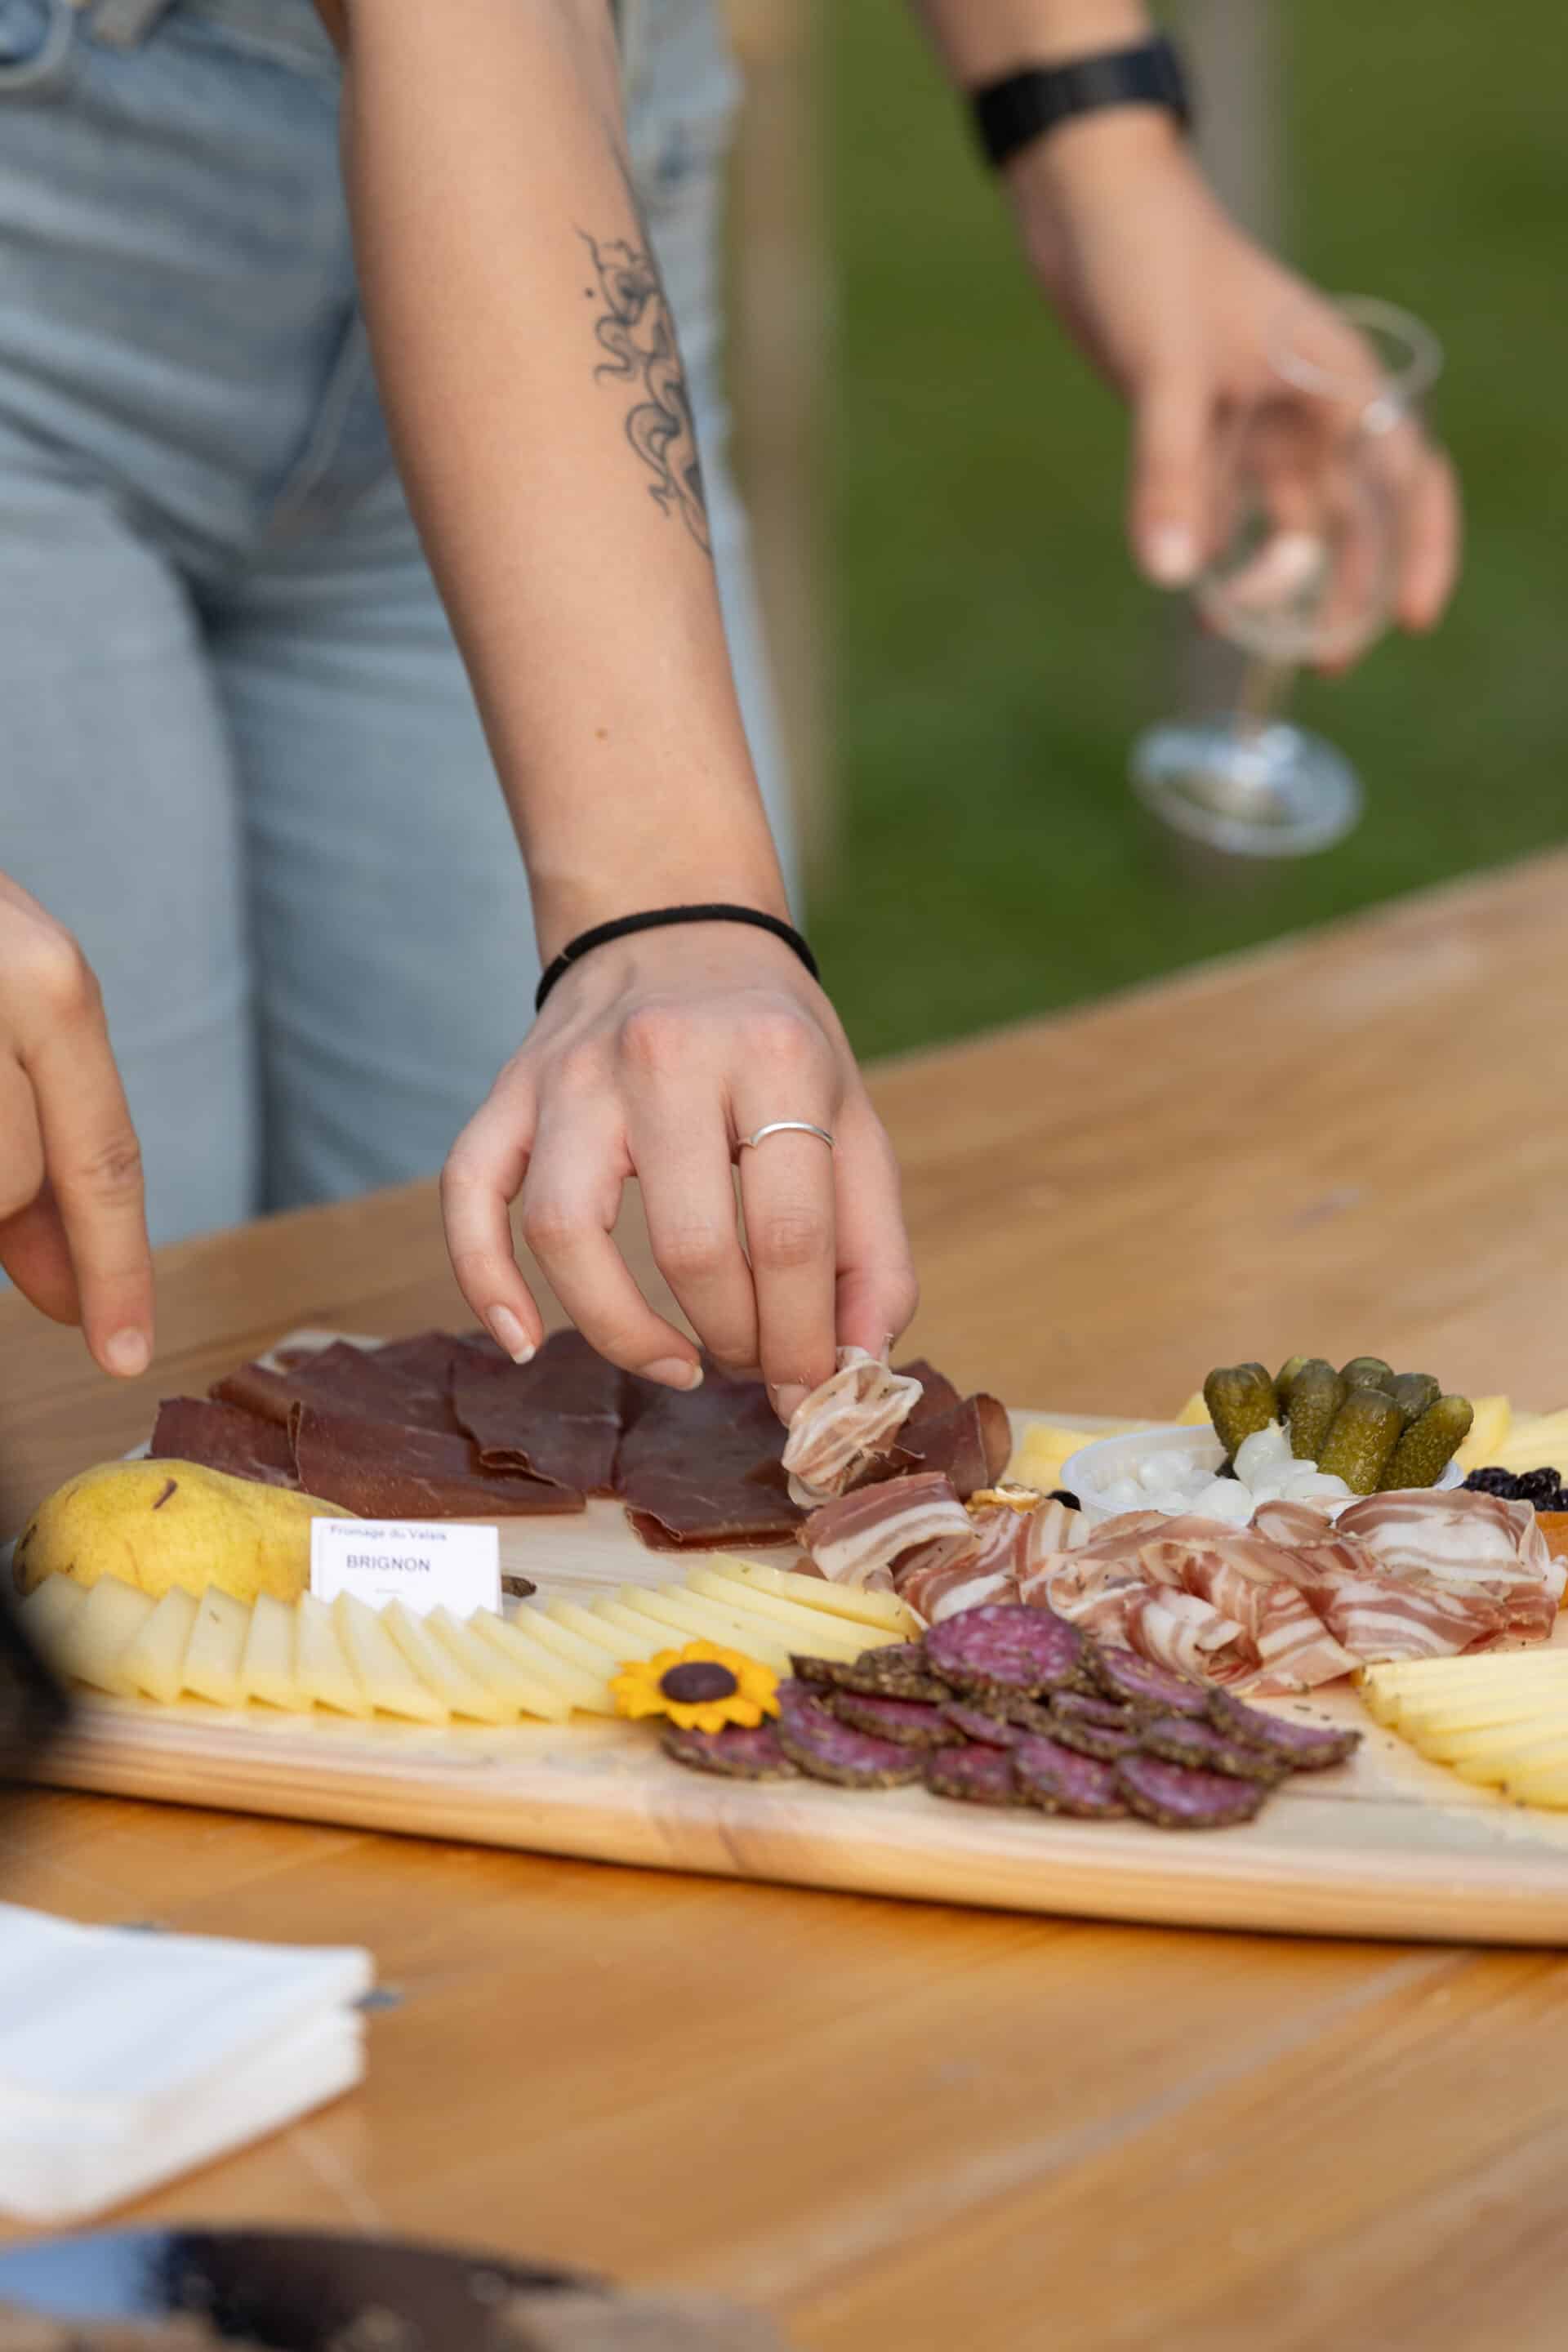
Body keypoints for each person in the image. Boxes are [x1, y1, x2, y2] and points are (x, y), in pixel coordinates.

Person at [0, 0, 1458, 1421]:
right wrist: (670, 908)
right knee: (89, 1346)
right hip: (47, 243)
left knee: (604, 1342)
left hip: (576, 200)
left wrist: (1085, 122)